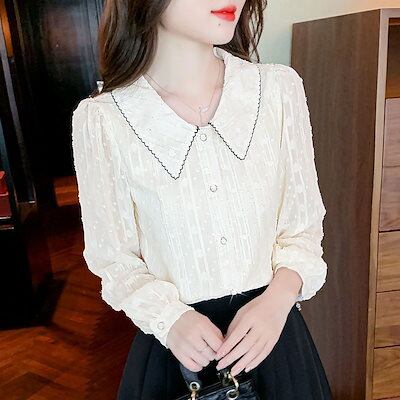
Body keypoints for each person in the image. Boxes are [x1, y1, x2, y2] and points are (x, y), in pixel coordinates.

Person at [71, 0, 333, 398]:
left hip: (275, 344)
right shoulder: (103, 120)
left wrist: (278, 299)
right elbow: (113, 258)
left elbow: (303, 226)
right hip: (176, 353)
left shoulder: (279, 90)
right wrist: (169, 319)